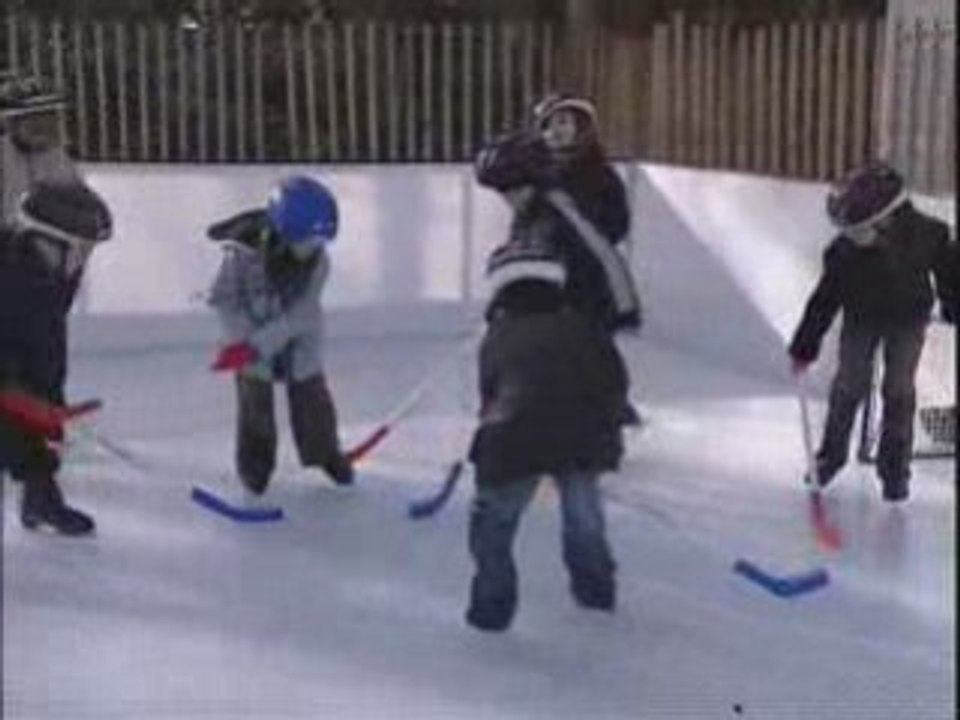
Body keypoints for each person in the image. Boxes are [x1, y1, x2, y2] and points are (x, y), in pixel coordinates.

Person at [465, 236, 628, 632]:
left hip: (514, 439)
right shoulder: (585, 325)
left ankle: (492, 605)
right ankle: (595, 592)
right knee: (584, 520)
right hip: (584, 436)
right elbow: (615, 380)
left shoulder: (497, 337)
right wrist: (609, 427)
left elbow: (490, 394)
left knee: (493, 525)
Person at [788, 161, 956, 502]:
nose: (853, 237)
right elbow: (825, 299)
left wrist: (953, 305)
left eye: (859, 230)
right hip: (861, 318)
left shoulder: (929, 235)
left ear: (886, 219)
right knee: (850, 382)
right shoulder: (843, 253)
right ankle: (830, 458)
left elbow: (951, 275)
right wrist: (805, 344)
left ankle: (895, 470)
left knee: (898, 388)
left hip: (908, 318)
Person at [474, 92, 643, 425]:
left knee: (592, 345)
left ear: (582, 127)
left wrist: (580, 221)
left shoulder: (600, 175)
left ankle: (609, 405)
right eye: (549, 124)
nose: (557, 131)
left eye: (565, 122)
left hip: (589, 278)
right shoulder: (535, 173)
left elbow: (614, 224)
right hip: (546, 275)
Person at [207, 175, 353, 498]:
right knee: (254, 397)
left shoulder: (319, 262)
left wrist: (261, 345)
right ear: (284, 230)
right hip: (249, 328)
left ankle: (324, 452)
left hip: (298, 333)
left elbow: (302, 315)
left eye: (319, 242)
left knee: (311, 391)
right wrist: (243, 342)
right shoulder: (240, 254)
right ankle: (255, 467)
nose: (314, 249)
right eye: (308, 241)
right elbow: (223, 300)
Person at [0, 179, 112, 535]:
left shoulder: (50, 270)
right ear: (45, 236)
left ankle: (41, 500)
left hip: (30, 365)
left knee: (34, 430)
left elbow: (47, 330)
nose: (81, 256)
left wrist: (48, 391)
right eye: (78, 246)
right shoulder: (10, 273)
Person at [0, 73, 79, 224]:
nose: (44, 126)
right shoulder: (4, 155)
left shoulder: (57, 157)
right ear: (10, 123)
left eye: (50, 117)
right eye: (33, 120)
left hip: (44, 240)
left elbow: (76, 198)